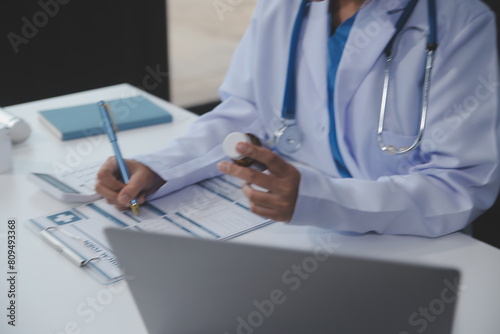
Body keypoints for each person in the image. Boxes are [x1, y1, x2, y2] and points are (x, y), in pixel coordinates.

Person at [95, 0, 499, 237]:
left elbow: (460, 185)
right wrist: (162, 166)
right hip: (289, 227)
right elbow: (249, 111)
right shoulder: (283, 7)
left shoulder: (459, 21)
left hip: (407, 237)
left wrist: (324, 199)